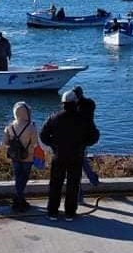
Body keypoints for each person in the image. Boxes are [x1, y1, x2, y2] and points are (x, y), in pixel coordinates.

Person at [41, 90, 100, 221]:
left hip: (59, 155)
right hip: (76, 156)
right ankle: (69, 213)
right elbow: (95, 136)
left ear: (62, 103)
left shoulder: (54, 117)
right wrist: (83, 144)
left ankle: (52, 212)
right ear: (75, 102)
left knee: (55, 184)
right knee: (73, 185)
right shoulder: (83, 119)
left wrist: (53, 145)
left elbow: (43, 135)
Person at [2, 101, 38, 212]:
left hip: (15, 156)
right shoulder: (31, 127)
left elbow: (6, 142)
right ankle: (18, 199)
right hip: (28, 157)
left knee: (18, 177)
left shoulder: (10, 126)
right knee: (24, 177)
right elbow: (35, 143)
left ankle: (19, 199)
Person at [73, 86, 100, 203]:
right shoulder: (90, 104)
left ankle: (79, 195)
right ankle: (92, 178)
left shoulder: (74, 108)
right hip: (88, 136)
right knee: (82, 159)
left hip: (76, 138)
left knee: (76, 166)